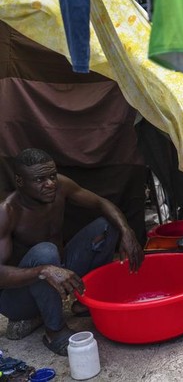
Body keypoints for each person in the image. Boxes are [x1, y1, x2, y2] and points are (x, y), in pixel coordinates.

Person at [0, 148, 144, 356]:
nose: (50, 183)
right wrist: (44, 270)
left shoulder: (61, 186)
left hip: (58, 268)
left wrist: (127, 231)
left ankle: (86, 301)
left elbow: (101, 203)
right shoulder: (8, 212)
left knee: (106, 225)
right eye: (40, 179)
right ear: (20, 181)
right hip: (19, 298)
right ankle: (54, 331)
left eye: (51, 176)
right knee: (44, 252)